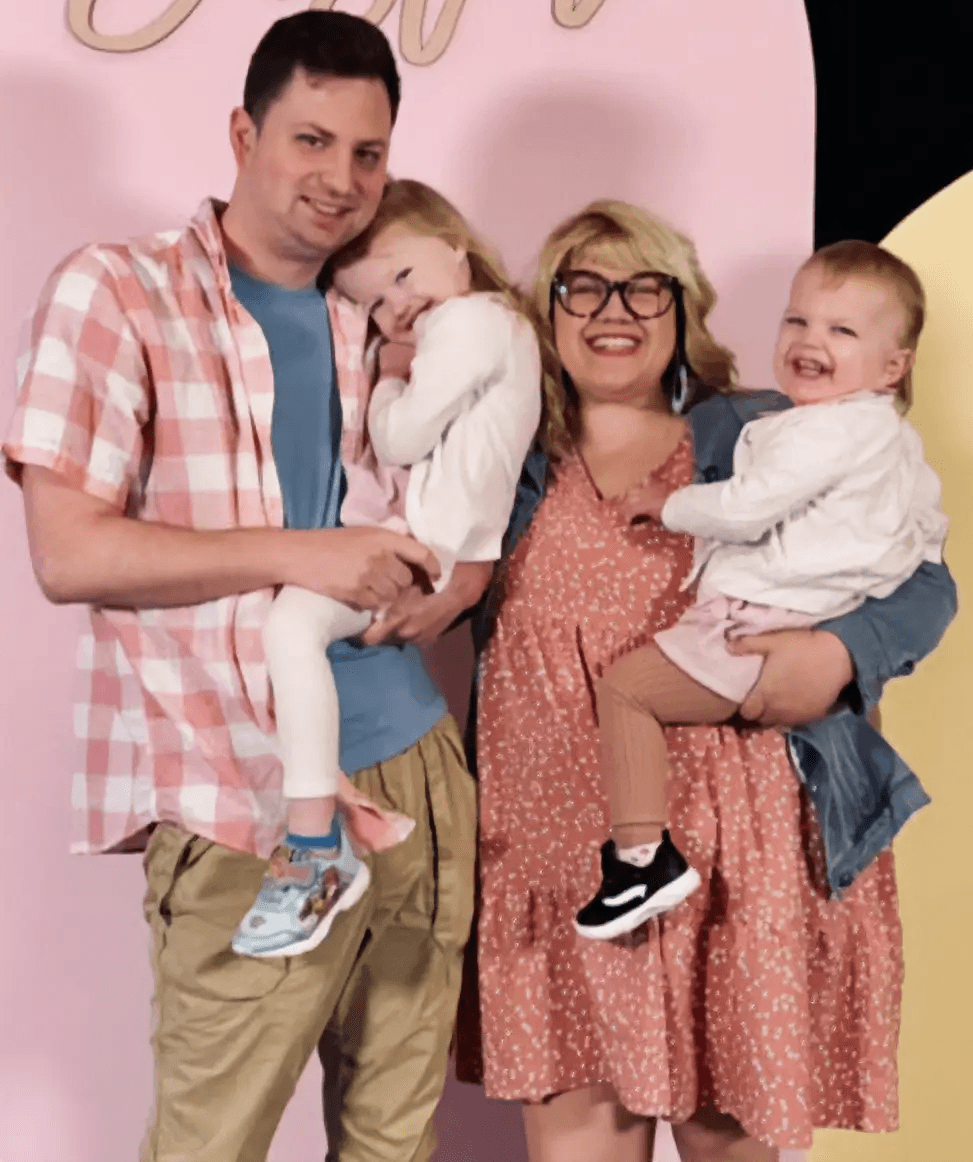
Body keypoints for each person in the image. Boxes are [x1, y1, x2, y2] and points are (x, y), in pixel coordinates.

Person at [4, 9, 490, 1162]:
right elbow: (68, 553)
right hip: (244, 798)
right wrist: (297, 550)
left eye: (367, 153)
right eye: (310, 140)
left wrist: (463, 576)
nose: (340, 179)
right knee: (209, 1145)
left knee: (393, 1143)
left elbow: (469, 477)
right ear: (243, 133)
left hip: (419, 771)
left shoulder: (381, 307)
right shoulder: (118, 291)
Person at [458, 201, 957, 1161]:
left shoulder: (766, 429)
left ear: (683, 308)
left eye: (644, 288)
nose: (613, 310)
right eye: (582, 287)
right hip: (564, 870)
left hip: (738, 867)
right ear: (544, 311)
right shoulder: (504, 459)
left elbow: (924, 578)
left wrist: (841, 651)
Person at [575, 240, 946, 940]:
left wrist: (837, 646)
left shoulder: (807, 427)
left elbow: (927, 577)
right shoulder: (883, 439)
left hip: (762, 668)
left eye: (841, 329)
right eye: (796, 320)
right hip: (602, 774)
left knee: (626, 690)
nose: (810, 340)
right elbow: (923, 532)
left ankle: (640, 857)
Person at [232, 177, 542, 959]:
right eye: (373, 303)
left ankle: (314, 842)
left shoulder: (472, 321)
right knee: (293, 625)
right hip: (435, 543)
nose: (397, 308)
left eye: (403, 276)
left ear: (455, 244)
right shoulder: (487, 328)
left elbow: (401, 437)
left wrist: (389, 380)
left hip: (423, 547)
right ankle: (317, 838)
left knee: (291, 626)